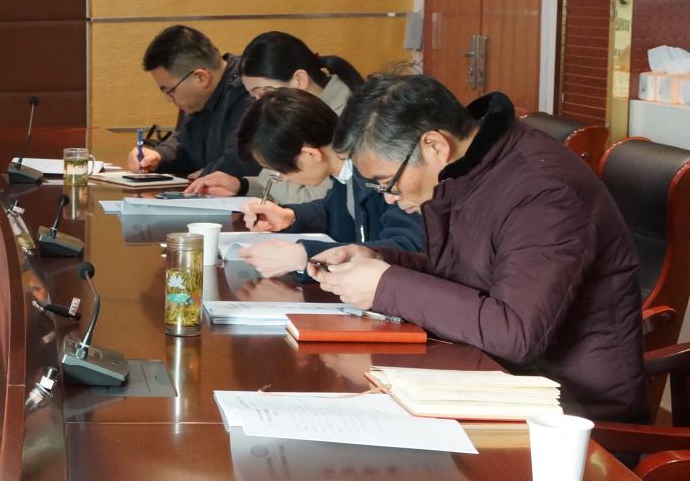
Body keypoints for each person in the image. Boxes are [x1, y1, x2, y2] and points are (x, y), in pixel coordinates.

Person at [311, 74, 645, 421]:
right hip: (491, 382)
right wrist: (382, 261)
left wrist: (385, 285)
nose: (390, 198)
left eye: (387, 182)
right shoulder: (471, 174)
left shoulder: (545, 192)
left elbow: (515, 332)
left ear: (434, 146)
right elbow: (471, 274)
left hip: (569, 415)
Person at [232, 87, 422, 278]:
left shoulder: (383, 175)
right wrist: (290, 216)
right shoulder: (344, 170)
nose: (284, 178)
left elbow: (408, 246)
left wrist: (305, 256)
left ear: (310, 154)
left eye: (280, 170)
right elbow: (336, 212)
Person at [191, 31, 371, 202]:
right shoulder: (311, 112)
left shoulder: (348, 120)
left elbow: (314, 198)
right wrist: (242, 185)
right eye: (254, 96)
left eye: (266, 92)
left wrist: (270, 173)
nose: (261, 103)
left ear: (300, 80)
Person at [127, 25, 258, 182]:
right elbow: (185, 143)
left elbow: (240, 163)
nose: (168, 99)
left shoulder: (251, 89)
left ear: (200, 78)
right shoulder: (197, 98)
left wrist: (204, 174)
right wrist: (159, 155)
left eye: (169, 90)